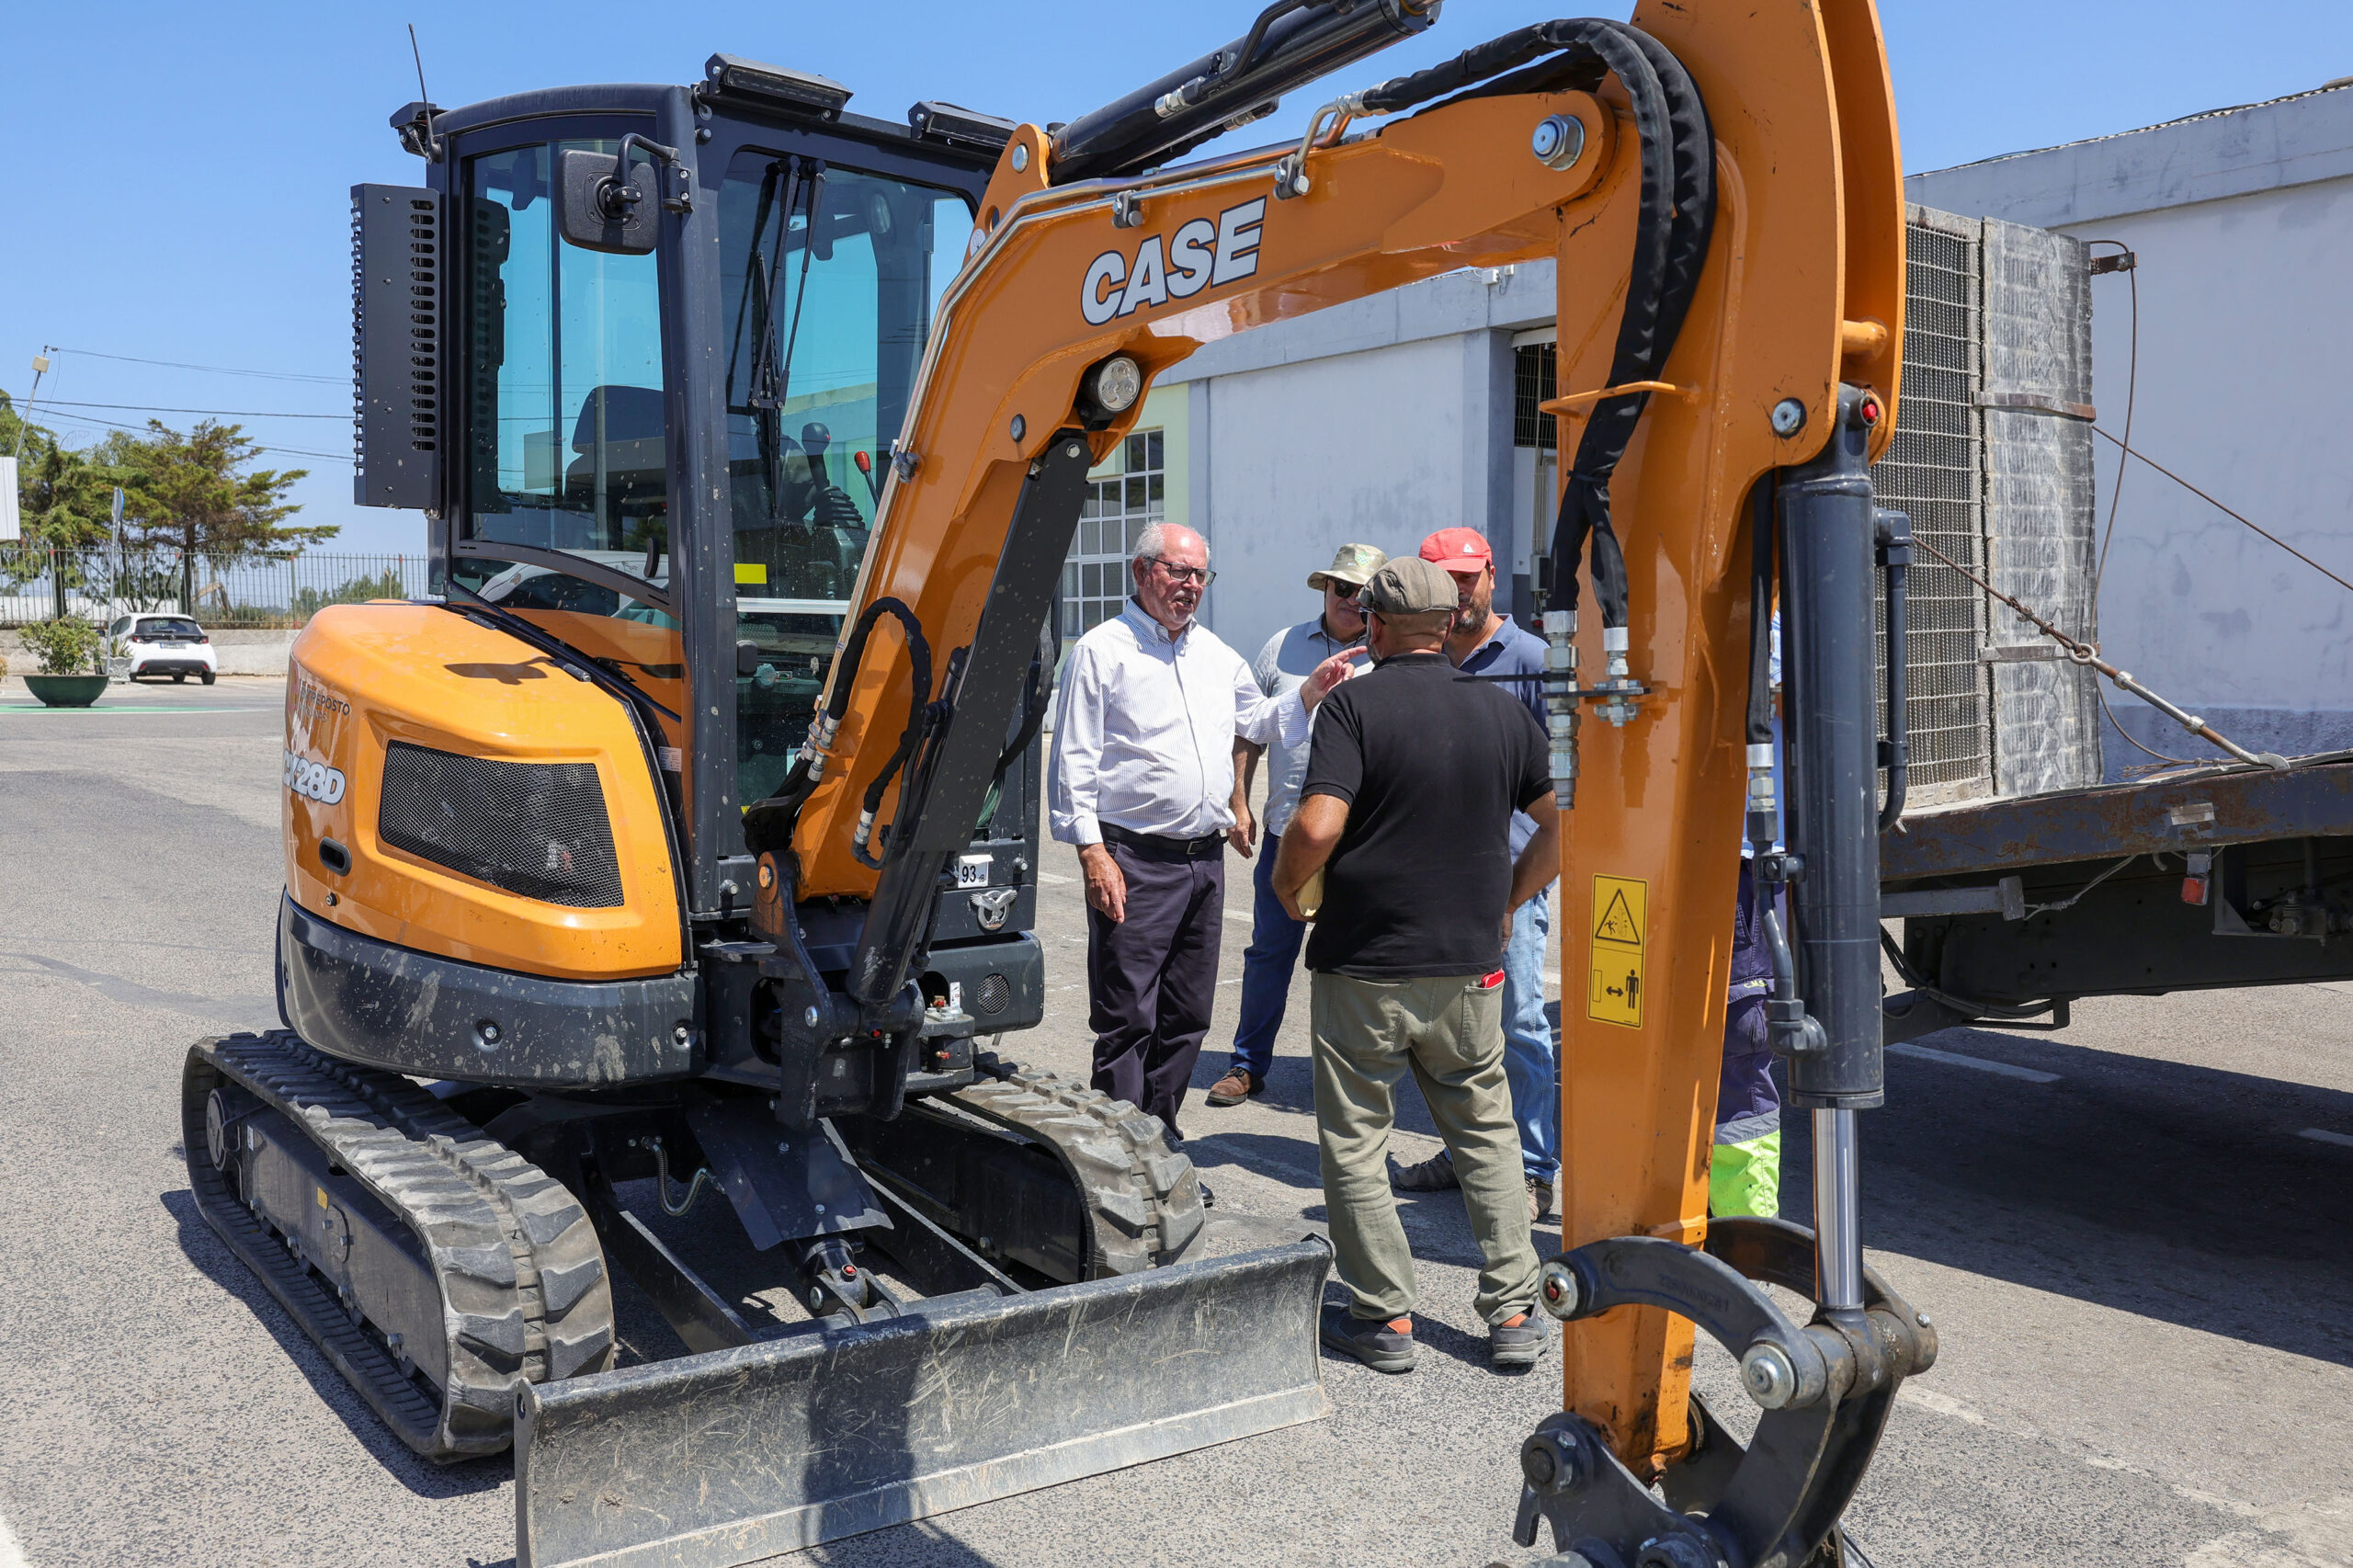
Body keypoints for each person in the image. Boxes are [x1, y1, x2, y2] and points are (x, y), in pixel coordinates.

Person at [1270, 556, 1557, 1374]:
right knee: (1486, 1131)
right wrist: (1508, 898)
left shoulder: (1354, 706)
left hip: (1365, 962)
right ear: (1448, 624)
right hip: (1469, 964)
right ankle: (1511, 1310)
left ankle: (1385, 1318)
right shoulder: (1501, 712)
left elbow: (1319, 826)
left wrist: (1289, 885)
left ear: (1378, 625)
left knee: (1358, 1141)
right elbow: (1562, 819)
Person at [1049, 522, 1267, 1150]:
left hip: (1204, 862)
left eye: (1200, 575)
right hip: (1134, 858)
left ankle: (1161, 1138)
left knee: (1188, 1015)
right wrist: (1093, 853)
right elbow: (1073, 761)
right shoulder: (1101, 651)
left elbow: (1258, 720)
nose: (1191, 586)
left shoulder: (1217, 656)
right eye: (1178, 571)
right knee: (1128, 1018)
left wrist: (1312, 691)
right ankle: (1118, 1157)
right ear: (1142, 572)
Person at [1388, 527, 1562, 1221]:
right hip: (1435, 882)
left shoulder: (1530, 661)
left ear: (1492, 575)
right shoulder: (1420, 659)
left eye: (1467, 577)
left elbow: (1563, 794)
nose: (1457, 591)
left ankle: (1532, 1166)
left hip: (1506, 879)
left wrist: (1517, 893)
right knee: (1450, 1035)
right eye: (1442, 578)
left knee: (1517, 1022)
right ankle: (1466, 1155)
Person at [1206, 542, 1389, 1108]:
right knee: (1269, 952)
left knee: (1355, 965)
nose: (1352, 600)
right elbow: (1250, 732)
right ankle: (1247, 1065)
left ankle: (1350, 1077)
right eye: (1343, 588)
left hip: (1361, 840)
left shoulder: (1388, 657)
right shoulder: (1280, 648)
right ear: (1325, 589)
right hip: (1288, 834)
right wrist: (1239, 800)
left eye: (1365, 593)